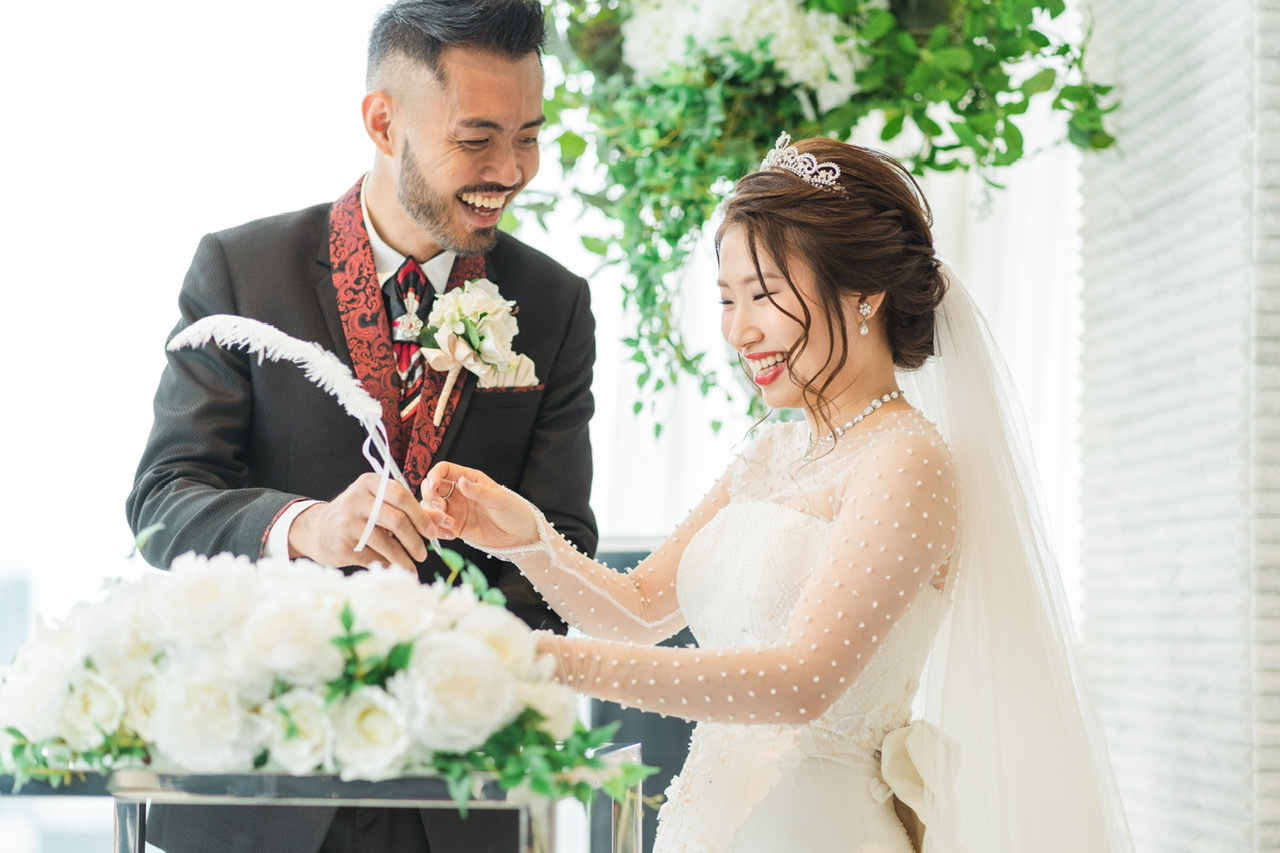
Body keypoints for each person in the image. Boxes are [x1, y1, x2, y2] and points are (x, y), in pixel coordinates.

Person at [421, 136, 1136, 851]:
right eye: (727, 299)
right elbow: (639, 610)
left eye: (763, 295)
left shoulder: (905, 459)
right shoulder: (772, 449)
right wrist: (529, 540)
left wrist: (549, 660)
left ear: (865, 293)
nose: (739, 330)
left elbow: (801, 680)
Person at [126, 1, 596, 850]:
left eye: (529, 136)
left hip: (458, 798)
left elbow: (563, 543)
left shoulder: (556, 304)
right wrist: (304, 526)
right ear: (383, 121)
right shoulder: (240, 270)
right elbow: (164, 500)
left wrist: (458, 662)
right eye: (477, 138)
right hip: (257, 782)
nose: (511, 170)